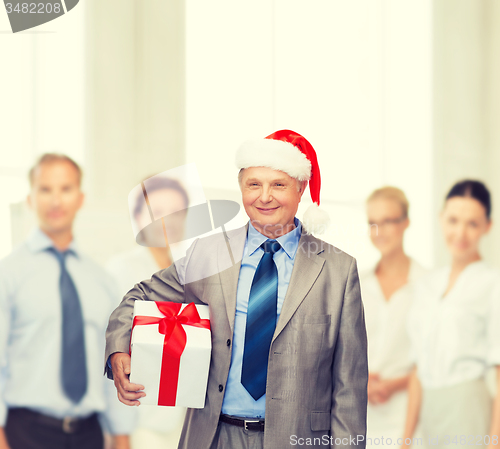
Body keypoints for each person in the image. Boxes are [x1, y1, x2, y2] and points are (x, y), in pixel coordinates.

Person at [104, 129, 369, 449]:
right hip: (214, 436)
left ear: (301, 190)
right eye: (254, 184)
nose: (265, 196)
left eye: (279, 185)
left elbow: (349, 389)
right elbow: (139, 298)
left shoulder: (338, 270)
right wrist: (119, 348)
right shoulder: (208, 253)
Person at [0, 154, 133, 449]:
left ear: (80, 198)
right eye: (45, 189)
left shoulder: (103, 281)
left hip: (90, 434)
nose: (56, 200)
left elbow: (113, 363)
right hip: (24, 433)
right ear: (30, 198)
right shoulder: (7, 274)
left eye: (66, 189)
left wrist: (122, 436)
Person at [402, 180, 500, 449]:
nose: (460, 232)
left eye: (473, 224)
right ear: (441, 219)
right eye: (453, 220)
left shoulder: (493, 283)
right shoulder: (427, 284)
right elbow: (417, 368)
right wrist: (406, 441)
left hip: (468, 408)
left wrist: (495, 441)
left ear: (487, 227)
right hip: (429, 414)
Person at [106, 175, 188, 449]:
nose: (167, 221)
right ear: (140, 217)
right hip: (139, 420)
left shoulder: (189, 275)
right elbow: (107, 352)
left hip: (184, 419)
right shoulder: (118, 271)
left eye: (176, 212)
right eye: (157, 212)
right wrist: (121, 434)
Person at [360, 187, 427, 447]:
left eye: (388, 221)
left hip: (409, 419)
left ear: (406, 223)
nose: (379, 231)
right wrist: (363, 382)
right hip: (360, 416)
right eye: (372, 223)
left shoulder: (427, 285)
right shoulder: (357, 284)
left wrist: (393, 384)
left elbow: (429, 359)